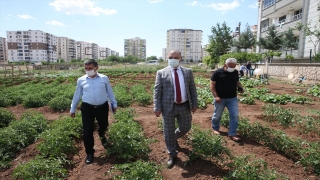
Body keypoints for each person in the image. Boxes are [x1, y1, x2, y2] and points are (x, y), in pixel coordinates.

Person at [153, 50, 198, 168]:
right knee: (168, 130)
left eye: (175, 57)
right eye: (170, 57)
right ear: (167, 58)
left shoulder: (188, 72)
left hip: (184, 105)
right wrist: (156, 107)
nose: (172, 59)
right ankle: (172, 154)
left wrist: (195, 103)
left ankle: (172, 138)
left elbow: (192, 89)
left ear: (180, 59)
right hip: (168, 107)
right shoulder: (161, 73)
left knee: (186, 127)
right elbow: (157, 92)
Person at [70, 59, 117, 164]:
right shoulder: (81, 80)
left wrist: (114, 104)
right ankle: (90, 153)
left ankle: (102, 135)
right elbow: (77, 95)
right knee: (87, 131)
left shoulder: (104, 78)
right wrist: (73, 108)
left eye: (90, 68)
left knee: (104, 125)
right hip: (87, 108)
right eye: (86, 68)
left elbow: (110, 92)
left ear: (96, 68)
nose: (88, 70)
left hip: (102, 107)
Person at [210, 58, 244, 142]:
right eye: (230, 66)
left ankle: (232, 133)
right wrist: (216, 96)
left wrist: (240, 87)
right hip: (220, 98)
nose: (232, 68)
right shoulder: (217, 73)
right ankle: (215, 128)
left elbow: (237, 81)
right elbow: (212, 85)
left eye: (234, 66)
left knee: (234, 115)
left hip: (232, 98)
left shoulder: (235, 72)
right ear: (225, 65)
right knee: (217, 115)